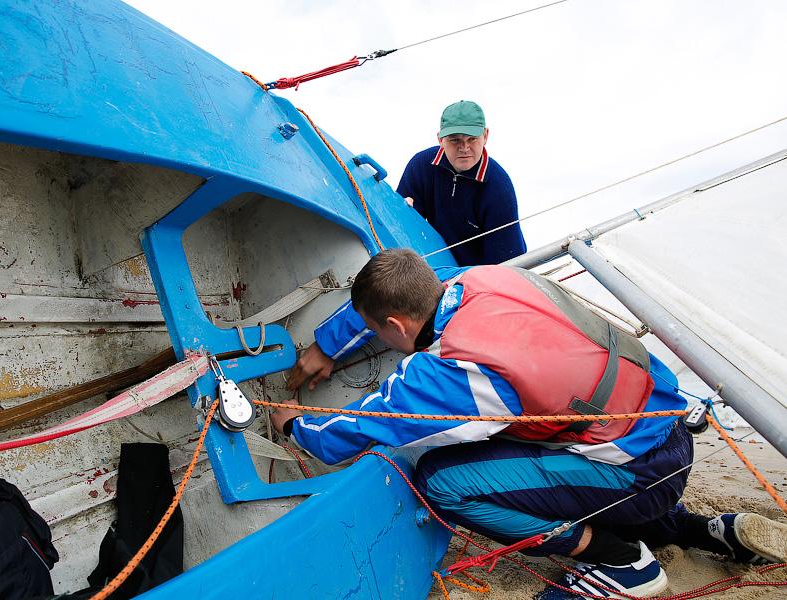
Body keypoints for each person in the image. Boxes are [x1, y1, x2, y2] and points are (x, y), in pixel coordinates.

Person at [273, 249, 787, 600]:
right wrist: (329, 345)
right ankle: (709, 532)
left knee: (443, 481)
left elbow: (370, 424)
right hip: (667, 425)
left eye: (376, 330)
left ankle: (622, 563)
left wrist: (296, 427)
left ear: (394, 326)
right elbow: (398, 285)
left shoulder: (453, 372)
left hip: (638, 473)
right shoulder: (483, 278)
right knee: (558, 448)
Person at [397, 100, 526, 266]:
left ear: (485, 136)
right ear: (440, 139)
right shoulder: (421, 166)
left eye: (472, 139)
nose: (464, 148)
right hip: (431, 265)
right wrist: (403, 212)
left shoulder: (499, 187)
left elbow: (507, 263)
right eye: (455, 140)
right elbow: (399, 229)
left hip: (481, 273)